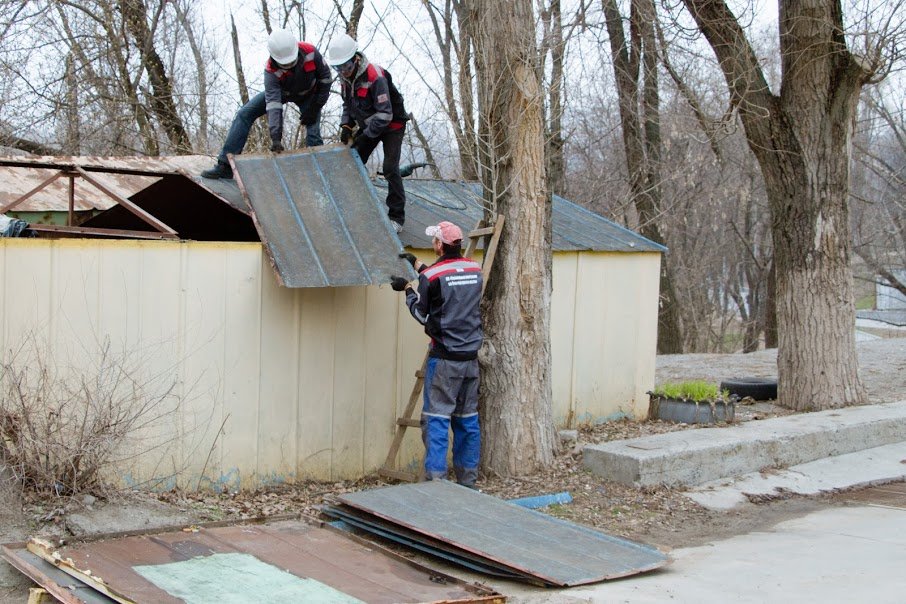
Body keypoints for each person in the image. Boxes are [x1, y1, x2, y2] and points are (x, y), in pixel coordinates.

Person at [391, 221, 482, 487]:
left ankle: (437, 482)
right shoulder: (474, 269)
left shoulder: (432, 277)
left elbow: (421, 313)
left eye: (434, 241)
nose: (433, 244)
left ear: (440, 245)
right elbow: (448, 279)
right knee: (467, 420)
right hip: (470, 360)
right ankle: (468, 482)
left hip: (444, 360)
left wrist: (407, 290)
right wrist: (417, 265)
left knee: (438, 420)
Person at [201, 29, 332, 179]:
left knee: (313, 133)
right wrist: (276, 137)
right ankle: (225, 166)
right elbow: (273, 104)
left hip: (310, 95)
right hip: (283, 93)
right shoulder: (270, 70)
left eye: (291, 62)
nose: (289, 66)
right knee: (244, 114)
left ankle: (320, 172)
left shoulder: (310, 52)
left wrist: (315, 107)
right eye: (285, 64)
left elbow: (326, 79)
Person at [326, 33, 409, 233]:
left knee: (390, 167)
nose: (343, 72)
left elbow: (385, 115)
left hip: (391, 125)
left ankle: (396, 217)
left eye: (346, 67)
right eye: (338, 68)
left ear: (355, 59)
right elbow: (348, 105)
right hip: (370, 125)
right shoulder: (346, 80)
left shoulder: (375, 76)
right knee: (353, 159)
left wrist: (365, 136)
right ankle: (353, 207)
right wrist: (346, 125)